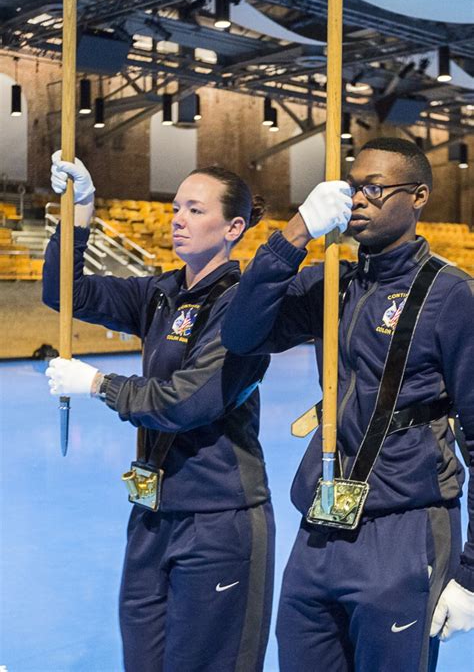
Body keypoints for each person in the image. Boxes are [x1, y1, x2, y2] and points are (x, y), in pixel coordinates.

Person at [221, 137, 474, 671]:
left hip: (404, 531)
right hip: (320, 528)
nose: (359, 198)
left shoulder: (452, 296)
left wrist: (473, 575)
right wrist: (295, 235)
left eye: (375, 189)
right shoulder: (332, 281)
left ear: (419, 196)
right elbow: (241, 333)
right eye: (353, 187)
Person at [43, 152, 275, 672]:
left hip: (218, 518)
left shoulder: (243, 308)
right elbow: (65, 292)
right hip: (152, 514)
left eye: (195, 210)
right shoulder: (161, 292)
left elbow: (188, 402)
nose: (177, 219)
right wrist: (79, 212)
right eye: (175, 208)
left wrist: (100, 383)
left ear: (233, 227)